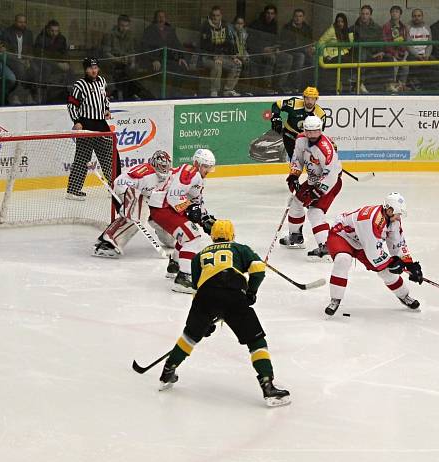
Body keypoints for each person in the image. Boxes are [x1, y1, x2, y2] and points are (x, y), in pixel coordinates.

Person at [157, 219, 291, 408]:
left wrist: (204, 322)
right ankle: (268, 385)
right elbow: (259, 270)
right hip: (233, 295)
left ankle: (168, 371)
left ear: (212, 237)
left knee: (189, 337)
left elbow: (199, 288)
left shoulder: (199, 256)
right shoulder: (240, 249)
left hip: (204, 297)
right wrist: (251, 292)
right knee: (256, 341)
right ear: (232, 235)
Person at [325, 193, 422, 316]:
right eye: (398, 213)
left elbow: (397, 243)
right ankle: (335, 299)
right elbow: (373, 253)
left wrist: (409, 264)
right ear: (390, 210)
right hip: (342, 236)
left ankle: (404, 296)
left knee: (386, 272)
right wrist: (393, 263)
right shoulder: (371, 220)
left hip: (362, 242)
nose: (399, 216)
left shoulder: (393, 220)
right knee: (343, 259)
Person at [147, 149, 218, 293]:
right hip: (163, 207)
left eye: (210, 167)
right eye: (206, 166)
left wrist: (205, 218)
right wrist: (191, 209)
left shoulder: (197, 177)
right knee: (192, 237)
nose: (208, 170)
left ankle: (175, 264)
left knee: (190, 234)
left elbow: (196, 201)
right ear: (197, 163)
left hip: (167, 208)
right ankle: (184, 279)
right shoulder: (190, 172)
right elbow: (174, 197)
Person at [279, 115, 341, 259]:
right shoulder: (300, 140)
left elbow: (331, 174)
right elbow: (297, 159)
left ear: (320, 130)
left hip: (331, 182)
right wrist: (294, 175)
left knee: (315, 211)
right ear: (305, 130)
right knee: (296, 203)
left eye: (315, 131)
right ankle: (296, 236)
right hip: (313, 179)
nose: (312, 135)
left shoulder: (326, 149)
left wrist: (318, 191)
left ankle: (326, 247)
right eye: (309, 131)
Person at [93, 150, 173, 258]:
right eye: (162, 166)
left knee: (171, 240)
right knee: (136, 216)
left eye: (166, 166)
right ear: (154, 163)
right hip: (130, 193)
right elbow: (119, 182)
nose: (165, 169)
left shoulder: (169, 176)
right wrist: (126, 200)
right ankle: (108, 242)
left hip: (151, 200)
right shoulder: (145, 172)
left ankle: (105, 238)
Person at [66, 58, 120, 199]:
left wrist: (107, 109)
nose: (94, 70)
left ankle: (115, 186)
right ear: (85, 70)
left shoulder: (102, 81)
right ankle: (73, 190)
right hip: (86, 123)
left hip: (101, 123)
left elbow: (104, 98)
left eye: (95, 67)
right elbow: (71, 104)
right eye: (90, 68)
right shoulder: (79, 85)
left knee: (111, 154)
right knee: (83, 157)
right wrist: (76, 121)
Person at [141, 10, 196, 97]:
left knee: (181, 68)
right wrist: (153, 60)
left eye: (163, 17)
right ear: (155, 18)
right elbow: (145, 47)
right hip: (156, 61)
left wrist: (181, 57)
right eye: (159, 17)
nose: (161, 19)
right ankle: (160, 96)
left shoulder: (170, 31)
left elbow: (177, 45)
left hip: (170, 60)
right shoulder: (149, 30)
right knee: (160, 72)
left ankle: (175, 93)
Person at [270, 86, 327, 160]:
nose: (309, 101)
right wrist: (276, 117)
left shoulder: (320, 114)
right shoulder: (294, 103)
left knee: (310, 161)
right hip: (290, 135)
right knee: (295, 159)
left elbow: (319, 133)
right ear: (303, 98)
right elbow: (276, 105)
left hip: (306, 138)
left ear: (316, 99)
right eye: (307, 98)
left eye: (312, 99)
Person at [100, 14, 145, 101]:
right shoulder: (109, 35)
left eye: (126, 26)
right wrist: (118, 60)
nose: (124, 28)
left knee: (133, 69)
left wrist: (132, 61)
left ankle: (132, 94)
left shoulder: (131, 36)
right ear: (118, 25)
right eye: (122, 26)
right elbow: (106, 54)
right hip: (111, 62)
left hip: (125, 61)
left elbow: (132, 52)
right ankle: (115, 94)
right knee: (116, 72)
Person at [199, 6, 242, 97]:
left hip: (221, 56)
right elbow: (204, 46)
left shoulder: (225, 26)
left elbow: (229, 43)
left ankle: (228, 90)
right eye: (213, 15)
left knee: (237, 65)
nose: (215, 18)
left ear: (221, 16)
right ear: (210, 16)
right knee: (217, 65)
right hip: (207, 57)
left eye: (217, 15)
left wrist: (233, 57)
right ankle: (214, 92)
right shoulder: (205, 26)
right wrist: (214, 56)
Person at [4, 14, 37, 104]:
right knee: (20, 69)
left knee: (35, 69)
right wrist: (20, 61)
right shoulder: (7, 32)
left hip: (25, 60)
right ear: (15, 22)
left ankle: (30, 95)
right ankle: (16, 96)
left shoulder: (29, 33)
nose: (22, 24)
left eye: (24, 22)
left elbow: (31, 50)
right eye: (20, 22)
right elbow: (6, 51)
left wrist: (28, 59)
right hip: (11, 60)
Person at [34, 20, 70, 103]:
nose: (54, 33)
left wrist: (67, 63)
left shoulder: (62, 39)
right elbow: (40, 55)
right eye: (52, 31)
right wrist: (57, 64)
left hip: (59, 63)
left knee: (70, 71)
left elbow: (64, 53)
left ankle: (70, 96)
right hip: (45, 64)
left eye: (56, 31)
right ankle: (43, 97)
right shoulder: (41, 38)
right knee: (47, 69)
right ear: (47, 30)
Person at [278, 9, 314, 93]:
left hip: (303, 51)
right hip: (289, 51)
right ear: (293, 17)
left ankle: (310, 86)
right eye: (296, 16)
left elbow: (309, 42)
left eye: (300, 16)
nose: (298, 18)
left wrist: (310, 48)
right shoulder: (287, 27)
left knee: (313, 59)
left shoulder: (307, 28)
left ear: (303, 18)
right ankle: (295, 86)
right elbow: (286, 44)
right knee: (300, 58)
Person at [317, 13, 355, 93]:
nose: (340, 24)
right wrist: (326, 55)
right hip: (332, 56)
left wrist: (350, 35)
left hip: (343, 54)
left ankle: (352, 84)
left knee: (354, 61)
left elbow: (349, 46)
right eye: (338, 22)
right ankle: (349, 84)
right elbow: (320, 42)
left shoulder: (346, 31)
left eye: (342, 22)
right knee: (348, 62)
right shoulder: (332, 30)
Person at [247, 5, 280, 94]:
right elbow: (250, 42)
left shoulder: (274, 25)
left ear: (275, 15)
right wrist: (262, 49)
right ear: (265, 14)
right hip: (257, 51)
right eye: (268, 13)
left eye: (272, 13)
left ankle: (281, 87)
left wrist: (276, 48)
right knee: (271, 58)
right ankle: (266, 85)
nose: (270, 15)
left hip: (270, 50)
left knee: (286, 58)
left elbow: (276, 40)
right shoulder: (256, 24)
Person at [352, 5, 384, 93]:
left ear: (370, 15)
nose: (364, 16)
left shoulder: (377, 28)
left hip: (374, 53)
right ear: (360, 15)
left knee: (390, 58)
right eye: (362, 14)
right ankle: (360, 84)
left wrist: (381, 52)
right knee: (362, 53)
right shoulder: (354, 28)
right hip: (360, 53)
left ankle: (390, 85)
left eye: (367, 14)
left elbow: (381, 42)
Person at [382, 5, 409, 92]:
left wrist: (403, 52)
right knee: (395, 63)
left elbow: (406, 40)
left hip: (401, 52)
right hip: (390, 53)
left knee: (405, 64)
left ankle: (402, 85)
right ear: (390, 13)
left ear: (400, 14)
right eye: (393, 12)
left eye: (397, 12)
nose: (394, 13)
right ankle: (392, 85)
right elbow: (385, 42)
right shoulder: (386, 26)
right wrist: (394, 53)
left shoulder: (404, 27)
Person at [406, 9, 432, 89]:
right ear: (412, 17)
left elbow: (429, 44)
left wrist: (427, 55)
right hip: (413, 54)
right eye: (414, 16)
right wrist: (417, 55)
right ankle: (414, 84)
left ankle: (428, 85)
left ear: (422, 17)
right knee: (414, 62)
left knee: (434, 62)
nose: (417, 18)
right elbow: (408, 45)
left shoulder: (427, 27)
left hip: (425, 54)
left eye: (419, 16)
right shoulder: (407, 27)